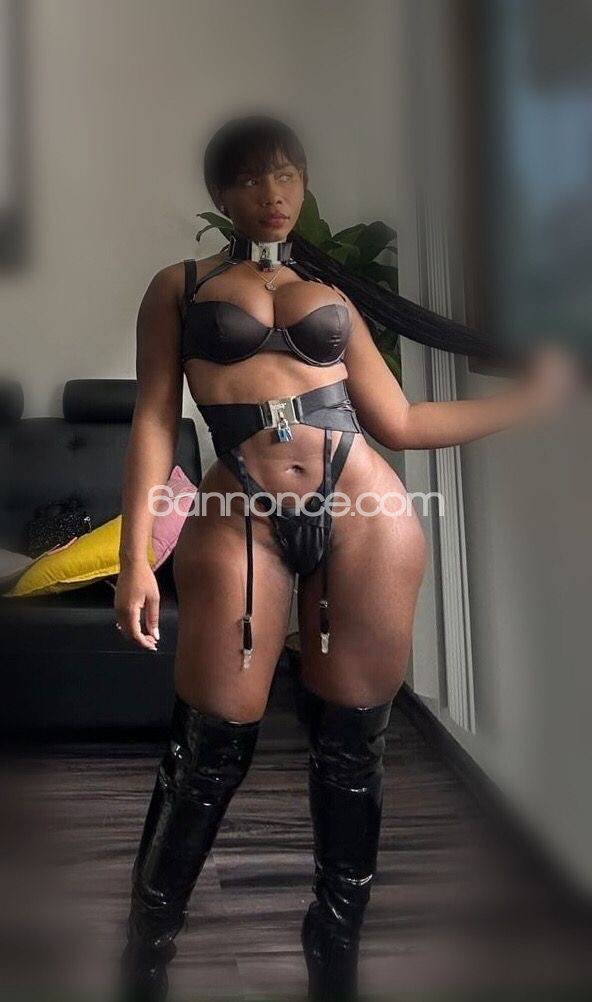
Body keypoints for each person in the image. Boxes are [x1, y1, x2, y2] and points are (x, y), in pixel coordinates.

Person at [114, 114, 579, 1002]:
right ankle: (147, 953)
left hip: (364, 506)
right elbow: (152, 419)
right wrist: (138, 555)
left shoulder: (333, 294)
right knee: (209, 747)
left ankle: (335, 953)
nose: (274, 192)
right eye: (253, 178)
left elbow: (399, 421)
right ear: (222, 194)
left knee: (352, 750)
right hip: (239, 511)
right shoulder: (179, 287)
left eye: (287, 173)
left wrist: (532, 402)